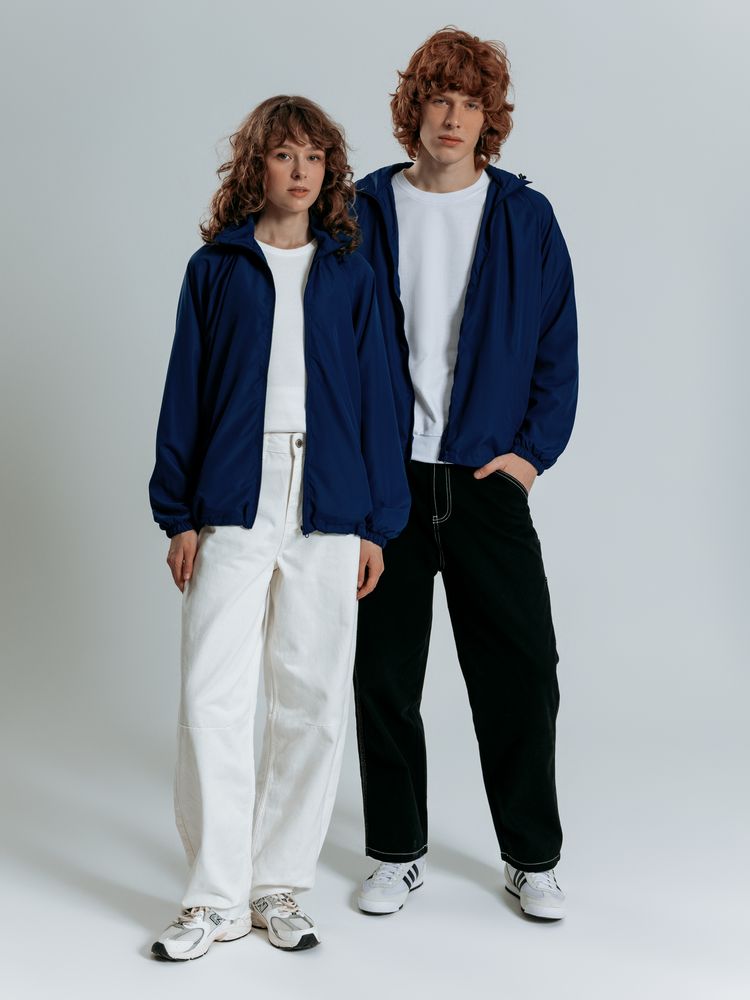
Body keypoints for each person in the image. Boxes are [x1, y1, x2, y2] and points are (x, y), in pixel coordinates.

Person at [147, 95, 410, 960]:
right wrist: (179, 514)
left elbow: (378, 401)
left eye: (314, 157)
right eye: (283, 154)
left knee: (313, 699)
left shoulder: (351, 273)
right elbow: (185, 390)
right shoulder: (216, 269)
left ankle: (278, 886)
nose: (300, 171)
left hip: (330, 494)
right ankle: (214, 897)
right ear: (255, 165)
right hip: (234, 491)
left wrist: (376, 523)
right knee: (210, 695)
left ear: (329, 171)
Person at [350, 27, 578, 920]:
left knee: (522, 671)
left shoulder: (525, 216)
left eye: (472, 104)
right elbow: (329, 341)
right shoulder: (364, 209)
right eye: (439, 99)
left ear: (490, 121)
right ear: (415, 110)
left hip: (485, 480)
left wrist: (526, 461)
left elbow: (557, 345)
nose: (453, 117)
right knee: (383, 674)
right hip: (387, 482)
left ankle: (532, 856)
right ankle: (395, 851)